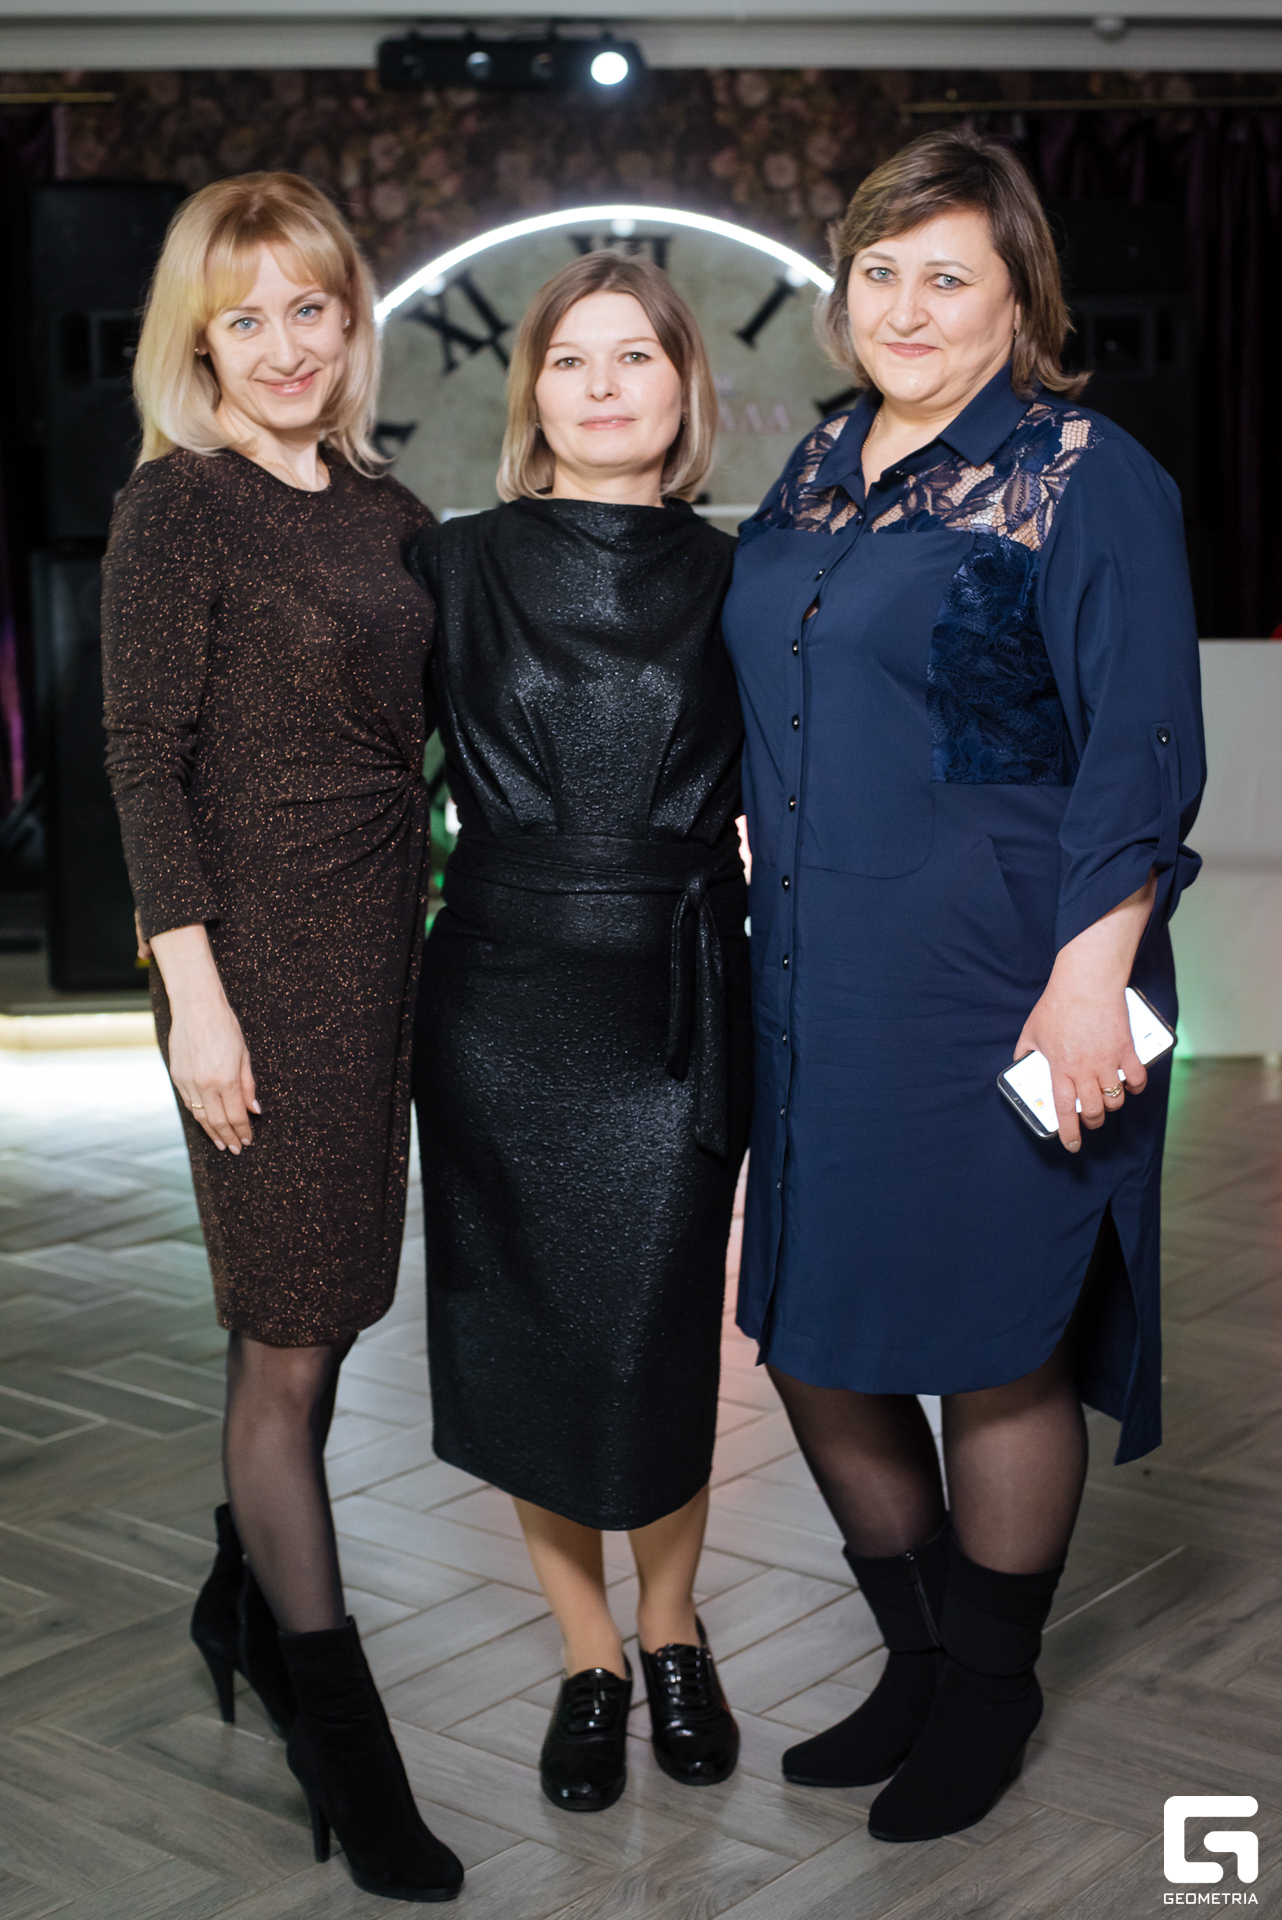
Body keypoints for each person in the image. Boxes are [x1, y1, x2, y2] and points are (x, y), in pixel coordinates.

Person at [721, 129, 1204, 1843]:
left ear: (1016, 300)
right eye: (880, 272)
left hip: (1006, 973)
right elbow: (792, 682)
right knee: (809, 1331)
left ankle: (989, 1692)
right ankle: (917, 1655)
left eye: (948, 276)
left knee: (999, 1345)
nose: (907, 307)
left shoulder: (1082, 472)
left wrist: (1090, 974)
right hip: (817, 978)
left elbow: (1143, 746)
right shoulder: (817, 466)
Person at [101, 171, 463, 1903]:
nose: (283, 345)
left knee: (328, 1315)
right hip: (250, 976)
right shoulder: (179, 505)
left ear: (349, 317)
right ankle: (349, 1749)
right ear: (197, 342)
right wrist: (197, 1001)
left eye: (309, 307)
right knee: (289, 1345)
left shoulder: (391, 511)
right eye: (242, 317)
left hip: (379, 963)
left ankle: (241, 1603)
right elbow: (141, 761)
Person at [408, 251, 750, 1813]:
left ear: (684, 385)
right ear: (529, 388)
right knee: (535, 1339)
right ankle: (588, 1654)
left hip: (677, 1001)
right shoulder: (448, 565)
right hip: (499, 1001)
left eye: (634, 356)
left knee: (655, 1335)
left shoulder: (751, 574)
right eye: (568, 358)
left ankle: (672, 1629)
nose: (602, 385)